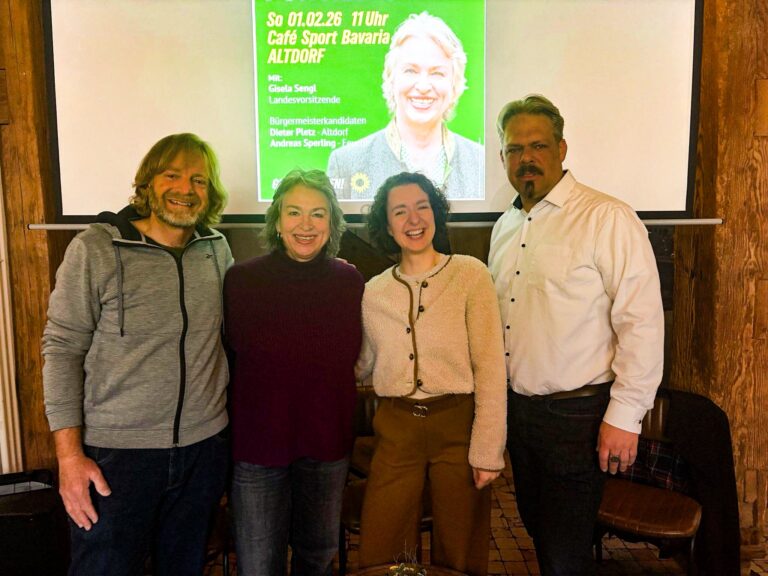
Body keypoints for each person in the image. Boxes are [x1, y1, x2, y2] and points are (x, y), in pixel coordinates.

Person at [488, 94, 665, 575]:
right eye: (513, 149)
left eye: (538, 145)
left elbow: (642, 321)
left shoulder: (606, 217)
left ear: (562, 149)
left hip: (578, 416)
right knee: (538, 531)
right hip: (521, 416)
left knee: (564, 553)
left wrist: (625, 416)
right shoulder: (505, 227)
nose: (526, 158)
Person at [42, 133, 232, 575]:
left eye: (199, 180)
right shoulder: (96, 249)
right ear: (148, 183)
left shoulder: (216, 250)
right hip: (117, 458)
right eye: (173, 175)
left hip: (203, 452)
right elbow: (62, 349)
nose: (186, 189)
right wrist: (69, 458)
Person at [356, 172, 506, 575]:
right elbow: (361, 362)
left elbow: (491, 367)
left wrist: (487, 450)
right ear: (387, 226)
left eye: (422, 206)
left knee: (461, 545)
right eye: (399, 211)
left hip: (457, 425)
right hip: (396, 428)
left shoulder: (470, 275)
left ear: (436, 213)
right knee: (381, 542)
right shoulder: (374, 291)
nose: (413, 219)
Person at [224, 169, 364, 576]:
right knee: (258, 565)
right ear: (277, 221)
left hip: (326, 445)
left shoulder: (348, 280)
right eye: (294, 212)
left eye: (318, 214)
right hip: (258, 449)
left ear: (333, 223)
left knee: (317, 557)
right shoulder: (241, 281)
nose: (306, 225)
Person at [327, 12, 483, 201]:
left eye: (437, 73)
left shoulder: (481, 162)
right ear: (391, 79)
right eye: (411, 71)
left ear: (454, 84)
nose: (424, 86)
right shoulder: (346, 163)